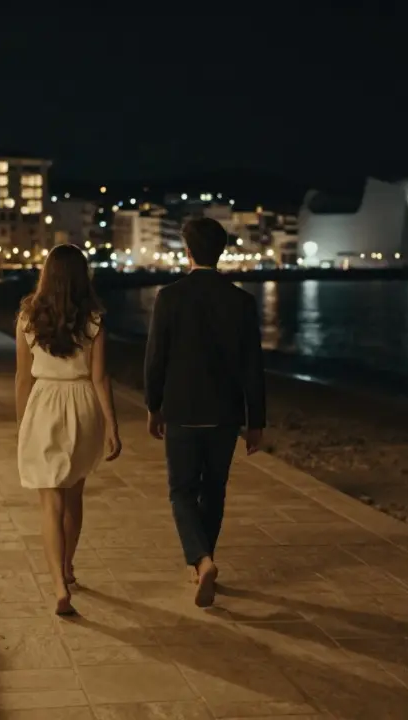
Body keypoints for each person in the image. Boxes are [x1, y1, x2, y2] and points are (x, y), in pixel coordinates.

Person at [144, 217, 266, 608]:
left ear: (188, 251)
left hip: (181, 409)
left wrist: (153, 405)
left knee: (181, 490)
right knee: (213, 489)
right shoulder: (242, 301)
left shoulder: (169, 296)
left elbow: (155, 359)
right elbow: (253, 368)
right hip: (225, 414)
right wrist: (256, 422)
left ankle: (201, 560)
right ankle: (204, 562)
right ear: (222, 251)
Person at [16, 244, 122, 615]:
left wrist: (21, 423)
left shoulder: (28, 317)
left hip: (44, 402)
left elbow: (21, 377)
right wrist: (112, 425)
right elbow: (101, 377)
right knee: (74, 495)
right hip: (82, 406)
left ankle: (59, 584)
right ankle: (67, 567)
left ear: (46, 274)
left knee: (50, 502)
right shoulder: (93, 319)